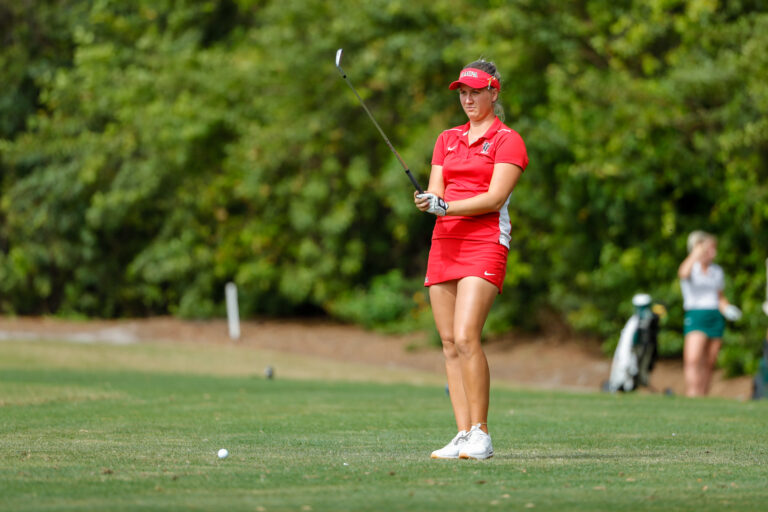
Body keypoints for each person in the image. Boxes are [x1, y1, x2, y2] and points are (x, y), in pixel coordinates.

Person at [414, 60, 528, 460]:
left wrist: (446, 205)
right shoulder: (446, 139)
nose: (467, 99)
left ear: (494, 93)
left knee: (466, 337)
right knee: (448, 343)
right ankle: (462, 434)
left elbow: (495, 198)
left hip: (484, 241)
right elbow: (435, 191)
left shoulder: (507, 140)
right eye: (462, 92)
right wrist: (430, 202)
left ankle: (481, 433)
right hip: (446, 240)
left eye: (475, 92)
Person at [678, 230, 741, 397]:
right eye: (710, 249)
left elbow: (719, 297)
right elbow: (683, 273)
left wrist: (727, 308)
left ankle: (703, 394)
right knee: (693, 359)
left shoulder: (717, 271)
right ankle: (693, 393)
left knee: (709, 361)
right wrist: (696, 252)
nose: (714, 253)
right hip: (696, 314)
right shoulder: (692, 268)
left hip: (715, 316)